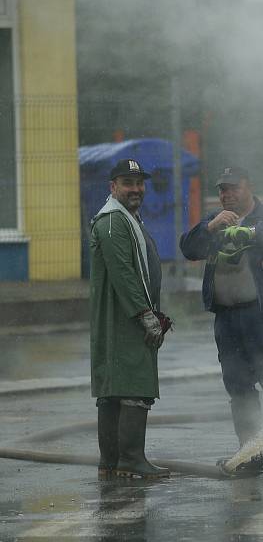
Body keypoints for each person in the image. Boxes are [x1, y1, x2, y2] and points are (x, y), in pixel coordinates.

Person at [180, 166, 263, 475]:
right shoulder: (214, 222)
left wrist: (251, 232)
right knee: (239, 388)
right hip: (228, 319)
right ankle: (250, 453)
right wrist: (210, 228)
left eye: (233, 188)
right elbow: (188, 247)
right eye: (222, 190)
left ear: (249, 187)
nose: (227, 195)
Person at [89, 158, 170, 479]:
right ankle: (130, 459)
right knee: (133, 384)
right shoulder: (113, 221)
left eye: (139, 183)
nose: (135, 189)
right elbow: (124, 273)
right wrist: (144, 314)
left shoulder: (127, 219)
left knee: (114, 390)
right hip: (122, 318)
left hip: (123, 315)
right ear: (113, 187)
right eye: (127, 183)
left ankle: (111, 463)